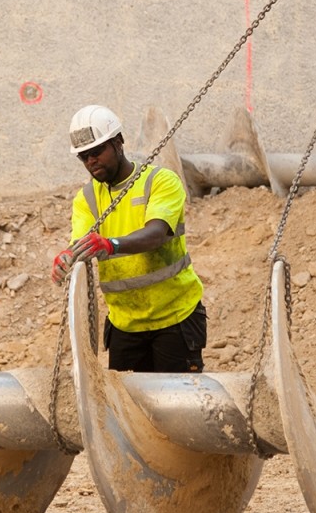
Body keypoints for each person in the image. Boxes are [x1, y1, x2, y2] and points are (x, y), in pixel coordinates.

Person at [51, 104, 207, 375]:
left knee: (177, 409)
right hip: (126, 326)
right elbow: (81, 243)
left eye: (97, 152)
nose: (91, 162)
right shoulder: (86, 199)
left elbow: (157, 233)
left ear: (119, 142)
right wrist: (68, 257)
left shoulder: (160, 181)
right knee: (128, 411)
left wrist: (111, 245)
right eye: (84, 157)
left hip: (175, 320)